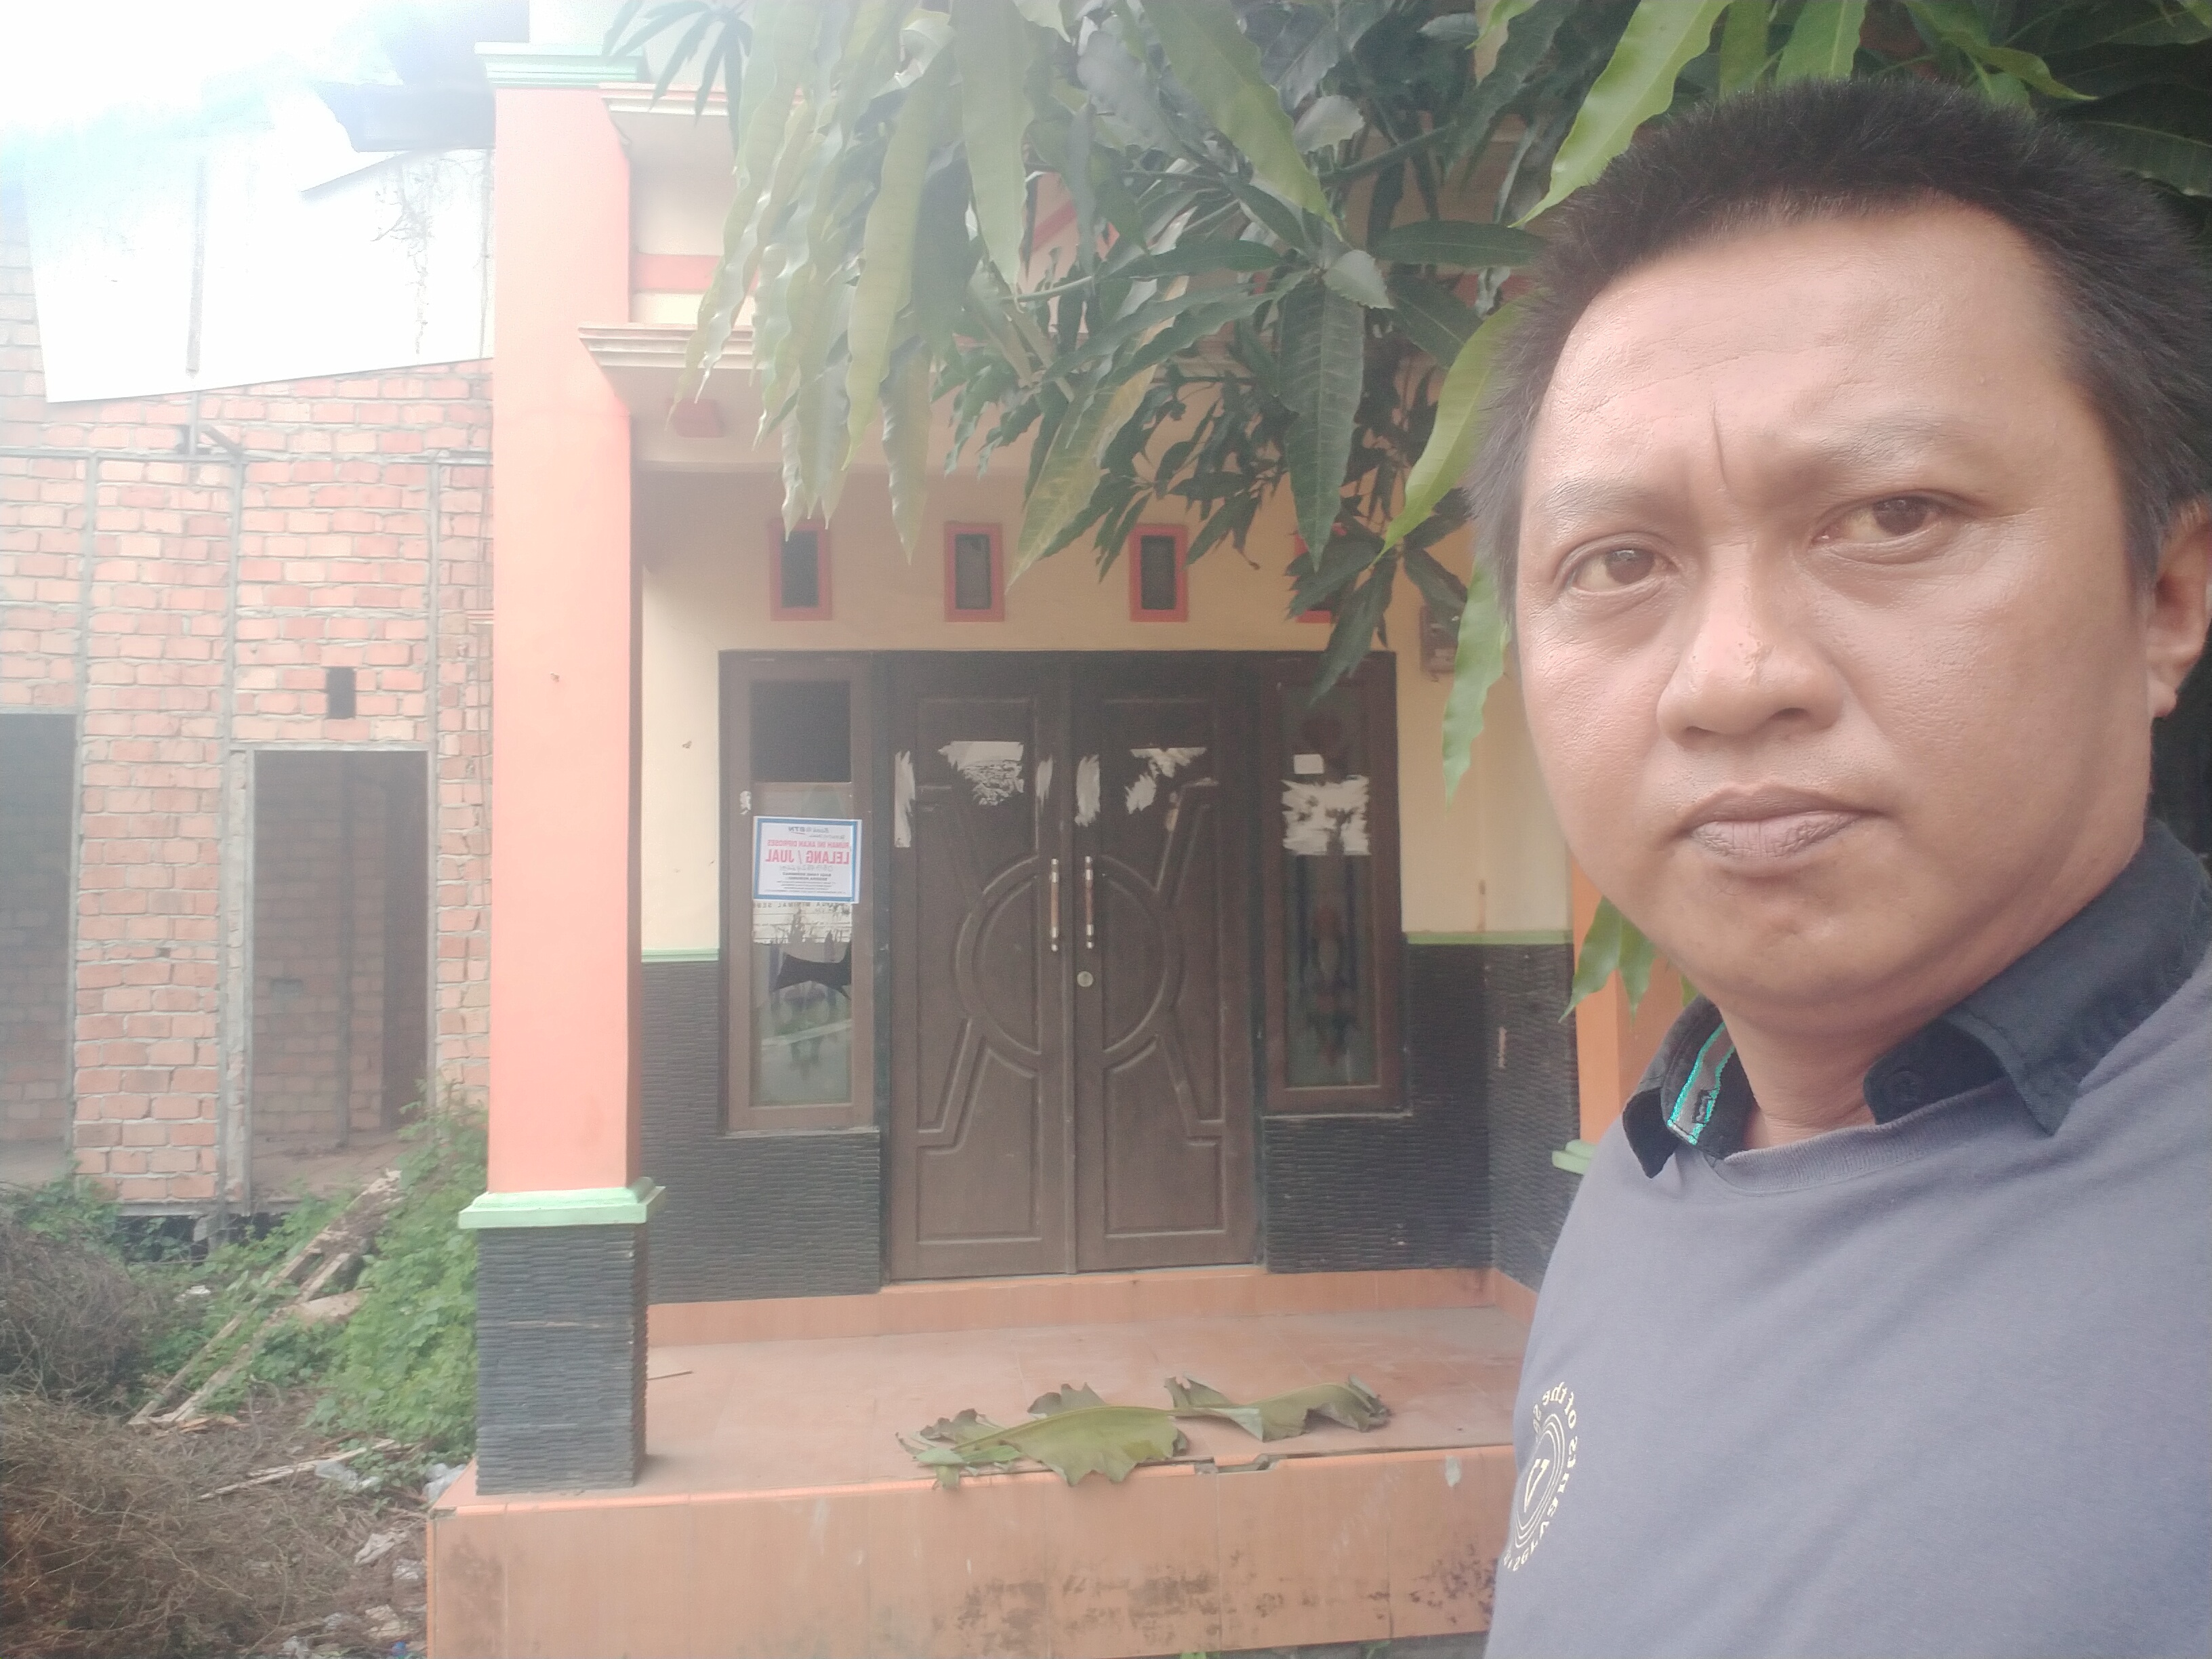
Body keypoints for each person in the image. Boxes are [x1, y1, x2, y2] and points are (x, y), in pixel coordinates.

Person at [1471, 78, 2211, 1659]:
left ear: (2165, 594)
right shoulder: (1649, 1176)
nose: (1733, 678)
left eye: (1892, 515)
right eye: (1618, 562)